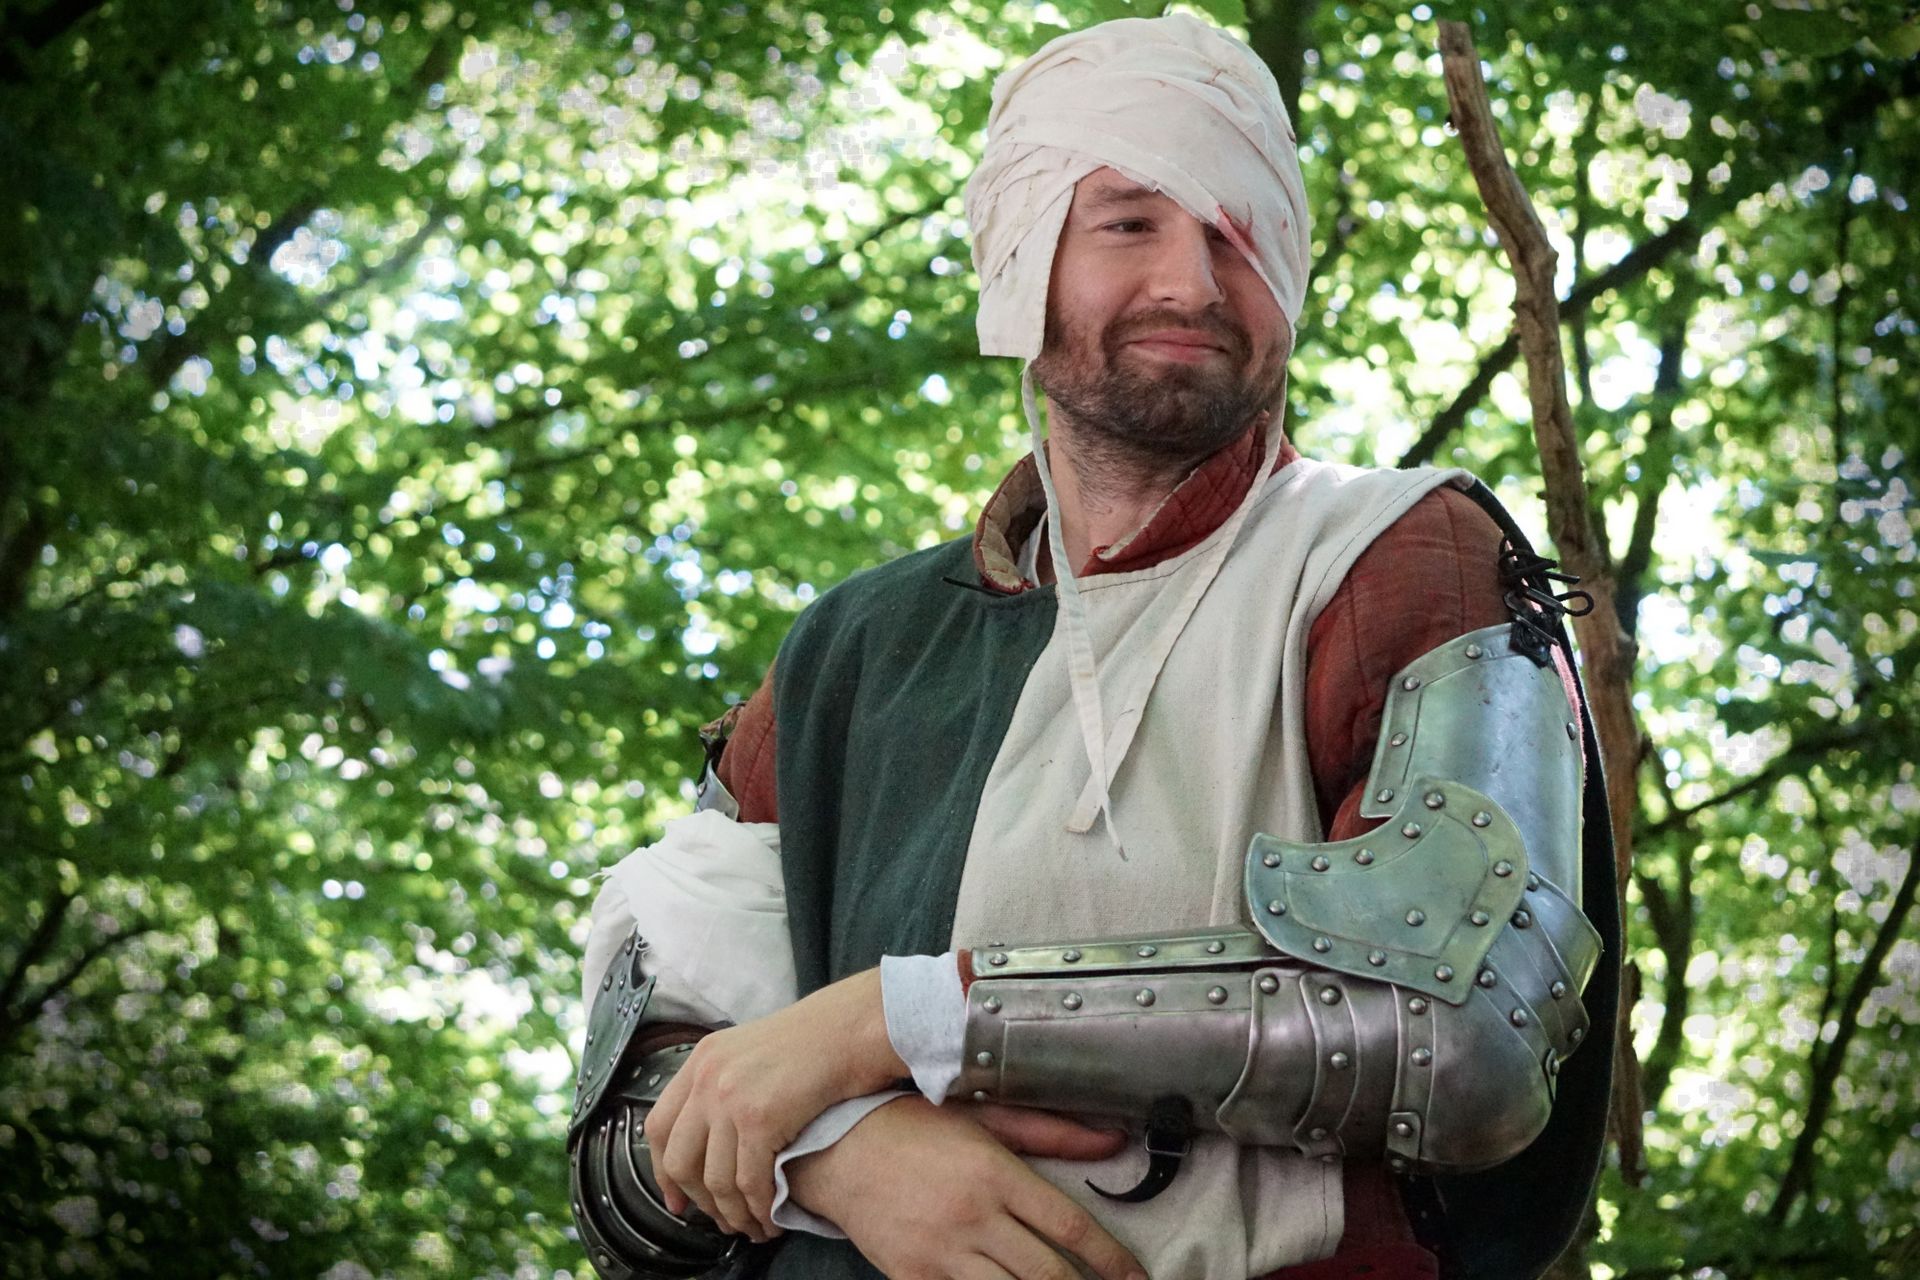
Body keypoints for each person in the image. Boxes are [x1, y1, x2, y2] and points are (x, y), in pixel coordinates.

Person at [566, 15, 1619, 1280]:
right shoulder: (850, 650)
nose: (1194, 283)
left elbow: (1464, 1032)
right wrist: (837, 1146)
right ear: (1022, 257)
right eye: (1130, 222)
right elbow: (627, 1117)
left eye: (1241, 233)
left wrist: (897, 1020)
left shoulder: (1395, 552)